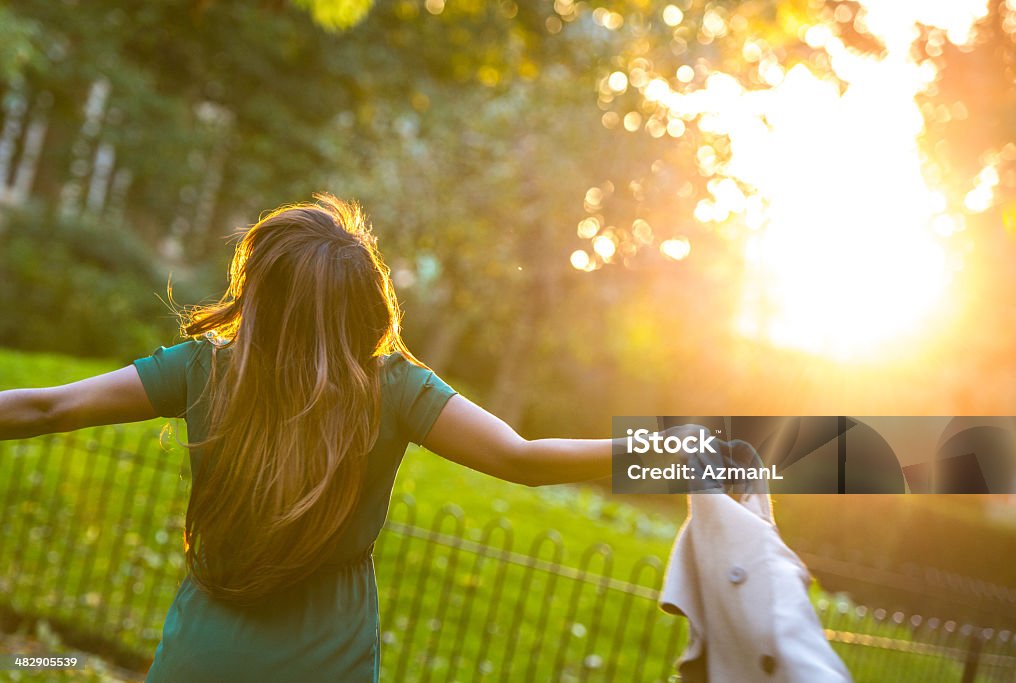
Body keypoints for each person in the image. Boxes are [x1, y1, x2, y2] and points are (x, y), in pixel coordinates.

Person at [0, 195, 630, 682]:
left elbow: (48, 407)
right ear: (365, 305)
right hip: (327, 661)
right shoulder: (397, 389)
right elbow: (523, 459)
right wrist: (708, 451)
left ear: (262, 295)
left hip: (203, 658)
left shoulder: (202, 368)